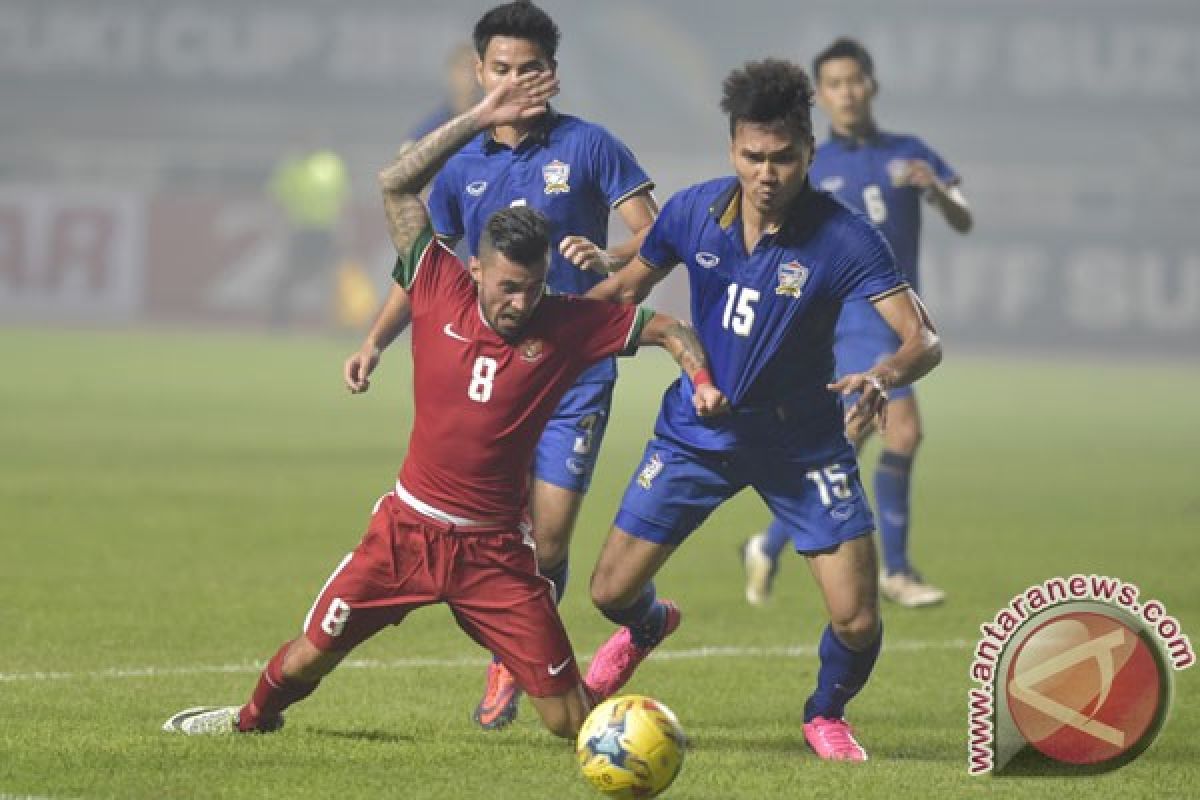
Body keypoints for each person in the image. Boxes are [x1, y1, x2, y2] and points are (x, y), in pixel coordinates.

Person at [162, 71, 725, 741]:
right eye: (510, 287)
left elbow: (665, 327)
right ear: (478, 270)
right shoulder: (437, 282)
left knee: (566, 721)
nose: (522, 302)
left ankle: (644, 736)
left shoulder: (567, 322)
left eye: (535, 287)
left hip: (493, 554)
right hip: (405, 533)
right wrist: (481, 115)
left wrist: (700, 381)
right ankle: (249, 720)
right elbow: (394, 183)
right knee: (311, 655)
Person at [581, 59, 942, 761]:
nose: (767, 172)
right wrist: (540, 321)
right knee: (608, 592)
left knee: (859, 619)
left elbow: (922, 338)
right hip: (696, 432)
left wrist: (883, 375)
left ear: (809, 152)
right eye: (753, 156)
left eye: (783, 157)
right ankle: (649, 625)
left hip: (804, 443)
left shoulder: (845, 238)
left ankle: (826, 712)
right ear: (732, 150)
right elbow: (625, 288)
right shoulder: (692, 211)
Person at [424, 1, 659, 731]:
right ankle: (524, 657)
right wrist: (373, 342)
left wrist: (612, 259)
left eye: (530, 68)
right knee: (495, 529)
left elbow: (657, 238)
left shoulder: (590, 147)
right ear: (479, 73)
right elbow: (424, 272)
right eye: (501, 68)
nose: (515, 80)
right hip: (491, 373)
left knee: (548, 539)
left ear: (551, 75)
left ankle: (516, 662)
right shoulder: (459, 164)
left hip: (571, 372)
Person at [741, 38, 972, 609]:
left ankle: (768, 544)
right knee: (904, 429)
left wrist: (938, 193)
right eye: (835, 84)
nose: (846, 91)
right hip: (845, 316)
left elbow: (964, 218)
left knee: (848, 436)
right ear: (822, 96)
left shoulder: (909, 152)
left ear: (871, 84)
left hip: (898, 319)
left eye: (854, 80)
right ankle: (896, 570)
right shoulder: (812, 163)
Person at [266, 138, 351, 328]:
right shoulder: (291, 166)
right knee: (291, 275)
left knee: (330, 278)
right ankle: (279, 319)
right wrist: (278, 227)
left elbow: (342, 200)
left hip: (326, 230)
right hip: (301, 229)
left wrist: (344, 228)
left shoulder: (332, 165)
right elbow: (278, 198)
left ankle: (333, 323)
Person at [406, 42, 484, 143]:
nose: (471, 77)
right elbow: (408, 149)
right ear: (452, 74)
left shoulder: (494, 121)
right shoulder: (434, 126)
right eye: (464, 69)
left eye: (476, 69)